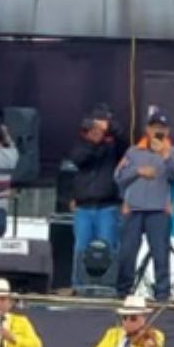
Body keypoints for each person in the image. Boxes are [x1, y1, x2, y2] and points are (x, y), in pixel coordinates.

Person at [117, 112, 174, 303]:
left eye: (162, 128)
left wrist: (164, 155)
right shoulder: (133, 151)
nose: (158, 131)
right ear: (147, 129)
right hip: (134, 209)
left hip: (159, 210)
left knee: (160, 253)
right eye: (154, 127)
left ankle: (162, 294)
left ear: (167, 131)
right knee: (127, 252)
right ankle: (123, 292)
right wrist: (137, 172)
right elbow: (119, 177)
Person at [68, 105, 123, 292]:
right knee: (82, 248)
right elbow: (78, 159)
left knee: (107, 248)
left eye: (100, 129)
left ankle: (106, 286)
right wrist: (94, 142)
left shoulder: (114, 148)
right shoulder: (81, 145)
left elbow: (124, 139)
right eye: (94, 129)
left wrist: (108, 128)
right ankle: (79, 286)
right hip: (84, 207)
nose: (97, 132)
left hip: (107, 206)